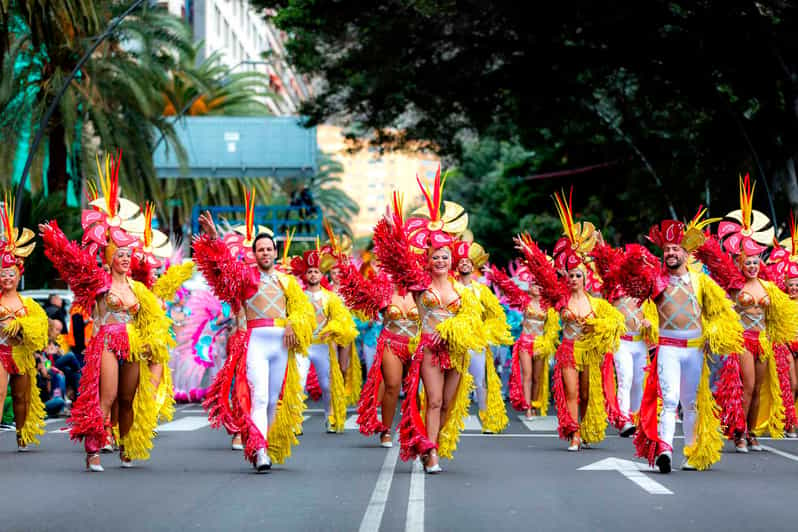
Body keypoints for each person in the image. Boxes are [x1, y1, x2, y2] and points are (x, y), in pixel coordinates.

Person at [40, 150, 174, 472]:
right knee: (108, 397)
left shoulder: (138, 289)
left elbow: (153, 322)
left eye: (129, 254)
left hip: (133, 345)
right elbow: (75, 264)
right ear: (110, 256)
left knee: (128, 400)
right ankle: (94, 449)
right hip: (107, 343)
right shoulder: (98, 283)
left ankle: (127, 446)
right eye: (121, 254)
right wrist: (56, 239)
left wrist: (149, 343)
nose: (127, 258)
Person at [609, 208, 743, 472]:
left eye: (676, 249)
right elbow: (623, 278)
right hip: (668, 348)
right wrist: (625, 256)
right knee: (669, 401)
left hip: (694, 351)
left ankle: (692, 454)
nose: (671, 253)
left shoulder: (702, 282)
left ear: (686, 253)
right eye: (667, 249)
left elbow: (721, 313)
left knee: (690, 404)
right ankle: (666, 450)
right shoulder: (654, 280)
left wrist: (714, 333)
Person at [373, 169, 486, 473]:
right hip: (430, 349)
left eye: (444, 257)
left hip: (457, 350)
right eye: (435, 256)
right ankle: (431, 452)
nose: (440, 261)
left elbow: (470, 318)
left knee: (448, 405)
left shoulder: (463, 289)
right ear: (427, 259)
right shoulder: (419, 286)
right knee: (433, 401)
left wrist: (457, 332)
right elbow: (397, 261)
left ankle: (429, 442)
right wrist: (393, 229)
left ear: (452, 260)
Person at [193, 197, 315, 472]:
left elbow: (302, 310)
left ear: (275, 251)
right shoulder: (246, 277)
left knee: (273, 399)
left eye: (269, 249)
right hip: (255, 343)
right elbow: (224, 266)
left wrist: (295, 323)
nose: (265, 253)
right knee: (259, 397)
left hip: (281, 345)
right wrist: (214, 239)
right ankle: (259, 450)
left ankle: (267, 443)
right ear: (254, 253)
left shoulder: (288, 282)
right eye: (260, 249)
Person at [514, 190, 625, 452]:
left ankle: (584, 428)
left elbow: (615, 323)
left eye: (578, 276)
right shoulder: (560, 299)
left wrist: (597, 326)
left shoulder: (596, 304)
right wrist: (530, 254)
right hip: (567, 352)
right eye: (571, 276)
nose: (574, 279)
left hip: (590, 353)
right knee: (572, 393)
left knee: (586, 394)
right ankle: (573, 434)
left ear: (584, 278)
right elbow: (543, 277)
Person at [693, 176, 798, 451]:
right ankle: (738, 433)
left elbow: (780, 314)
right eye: (747, 262)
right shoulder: (733, 285)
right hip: (742, 340)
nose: (751, 266)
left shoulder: (768, 287)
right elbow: (714, 266)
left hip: (762, 340)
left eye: (755, 262)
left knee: (758, 393)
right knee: (747, 386)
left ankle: (751, 433)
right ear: (740, 262)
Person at [591, 233, 659, 436]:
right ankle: (624, 420)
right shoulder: (615, 282)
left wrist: (650, 323)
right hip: (621, 341)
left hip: (640, 342)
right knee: (625, 378)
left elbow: (657, 311)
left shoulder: (646, 286)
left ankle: (636, 418)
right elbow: (604, 267)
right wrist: (601, 247)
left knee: (639, 380)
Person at [291, 247, 357, 433]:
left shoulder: (331, 298)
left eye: (316, 271)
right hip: (304, 346)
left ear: (322, 274)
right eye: (310, 271)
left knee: (328, 385)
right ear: (305, 275)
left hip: (324, 346)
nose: (313, 274)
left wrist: (334, 328)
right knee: (299, 382)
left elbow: (340, 319)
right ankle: (296, 420)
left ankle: (330, 415)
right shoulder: (298, 297)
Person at [0, 200, 48, 451]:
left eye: (11, 274)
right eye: (3, 274)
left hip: (20, 354)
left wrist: (21, 326)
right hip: (0, 351)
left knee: (21, 397)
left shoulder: (28, 303)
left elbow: (39, 331)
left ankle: (21, 436)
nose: (7, 278)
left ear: (18, 276)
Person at [452, 239, 512, 433]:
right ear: (456, 264)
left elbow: (497, 314)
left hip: (476, 342)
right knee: (452, 382)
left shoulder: (481, 290)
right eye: (461, 261)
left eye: (468, 261)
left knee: (480, 382)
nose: (464, 264)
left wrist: (486, 333)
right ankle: (450, 421)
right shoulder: (450, 287)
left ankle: (486, 420)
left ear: (474, 265)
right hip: (454, 341)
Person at [487, 263, 560, 419]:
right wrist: (494, 275)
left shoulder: (549, 306)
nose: (536, 287)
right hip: (525, 342)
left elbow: (553, 328)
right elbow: (509, 288)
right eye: (534, 284)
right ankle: (527, 408)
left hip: (541, 343)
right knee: (526, 375)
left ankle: (534, 404)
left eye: (539, 285)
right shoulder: (525, 301)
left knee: (537, 377)